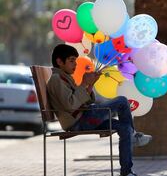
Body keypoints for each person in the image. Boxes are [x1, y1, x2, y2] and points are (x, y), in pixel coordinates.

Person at [46, 44, 152, 176]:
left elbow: (83, 100)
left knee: (125, 128)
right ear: (59, 62)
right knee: (122, 101)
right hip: (79, 122)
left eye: (76, 61)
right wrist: (84, 83)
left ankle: (127, 171)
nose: (75, 64)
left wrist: (90, 85)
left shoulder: (65, 77)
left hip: (85, 118)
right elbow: (70, 105)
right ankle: (134, 136)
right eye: (71, 60)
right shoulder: (57, 79)